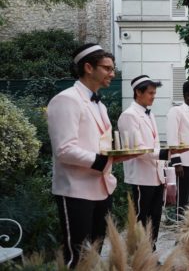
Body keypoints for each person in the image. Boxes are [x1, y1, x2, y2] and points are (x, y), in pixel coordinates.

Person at [48, 43, 133, 268]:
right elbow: (63, 149)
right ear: (88, 67)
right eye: (107, 68)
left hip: (103, 188)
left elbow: (102, 146)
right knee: (76, 257)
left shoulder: (100, 105)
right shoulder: (66, 99)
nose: (112, 74)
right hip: (75, 190)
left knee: (93, 254)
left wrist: (118, 155)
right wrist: (102, 160)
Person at [118, 75, 168, 247]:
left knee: (155, 216)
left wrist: (163, 167)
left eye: (154, 93)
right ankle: (138, 255)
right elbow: (138, 149)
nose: (153, 96)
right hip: (141, 176)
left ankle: (150, 252)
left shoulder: (150, 114)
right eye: (150, 93)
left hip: (156, 175)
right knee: (141, 217)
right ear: (138, 92)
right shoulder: (128, 116)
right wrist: (164, 154)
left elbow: (154, 143)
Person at [166, 81, 189, 218]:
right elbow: (172, 138)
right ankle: (179, 233)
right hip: (183, 164)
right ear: (187, 96)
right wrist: (177, 163)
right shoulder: (176, 112)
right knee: (181, 202)